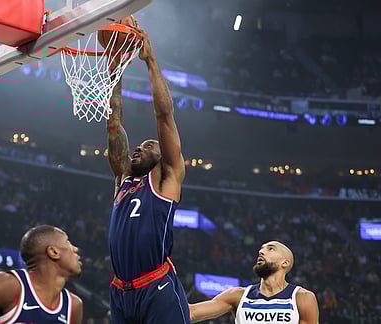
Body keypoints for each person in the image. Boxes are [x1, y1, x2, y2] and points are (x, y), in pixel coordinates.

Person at [106, 25, 190, 323]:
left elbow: (164, 116)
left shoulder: (167, 179)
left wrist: (150, 61)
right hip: (120, 292)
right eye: (137, 147)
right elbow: (114, 122)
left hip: (157, 286)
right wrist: (115, 71)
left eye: (148, 146)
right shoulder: (124, 179)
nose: (138, 149)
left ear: (162, 156)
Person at [189, 241, 319, 324]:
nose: (261, 251)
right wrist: (169, 277)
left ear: (285, 263)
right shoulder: (237, 295)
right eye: (262, 249)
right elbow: (191, 313)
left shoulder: (302, 298)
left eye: (271, 249)